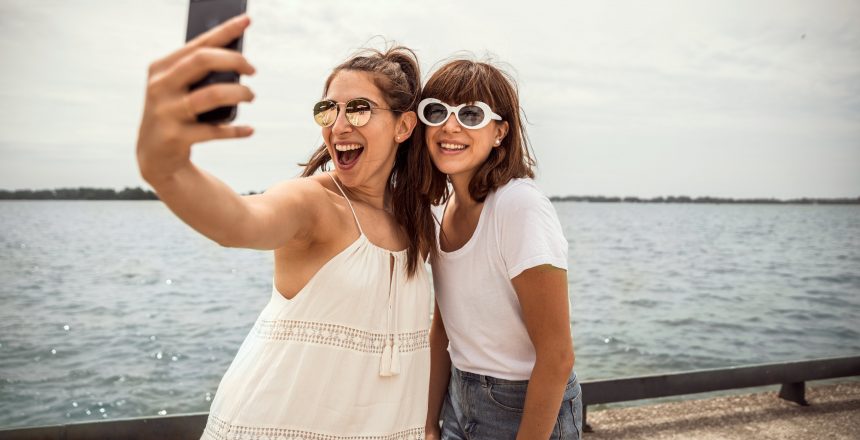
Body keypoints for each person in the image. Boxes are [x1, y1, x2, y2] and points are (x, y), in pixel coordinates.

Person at [135, 15, 436, 439]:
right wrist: (165, 167)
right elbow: (239, 222)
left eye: (359, 108)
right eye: (328, 108)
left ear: (404, 126)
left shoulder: (416, 220)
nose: (338, 124)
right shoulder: (312, 203)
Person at [417, 59, 582, 439]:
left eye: (471, 114)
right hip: (459, 399)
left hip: (525, 404)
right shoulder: (438, 210)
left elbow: (557, 357)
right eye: (437, 111)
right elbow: (443, 330)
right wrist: (427, 423)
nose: (450, 126)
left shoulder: (518, 206)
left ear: (499, 132)